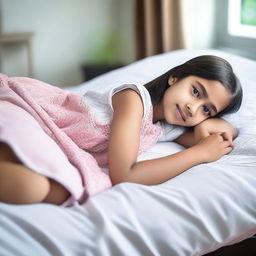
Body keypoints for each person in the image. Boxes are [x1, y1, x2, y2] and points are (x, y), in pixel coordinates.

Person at [0, 55, 242, 205]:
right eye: (196, 91)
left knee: (52, 191)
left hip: (60, 144)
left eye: (207, 109)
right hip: (40, 116)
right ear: (175, 78)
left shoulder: (168, 126)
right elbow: (124, 175)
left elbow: (226, 131)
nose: (193, 108)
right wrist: (199, 153)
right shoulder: (133, 98)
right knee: (31, 185)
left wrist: (206, 127)